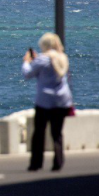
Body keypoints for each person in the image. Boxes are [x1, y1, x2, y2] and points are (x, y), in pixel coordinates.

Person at [23, 32, 72, 172]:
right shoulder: (63, 58)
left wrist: (27, 61)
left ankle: (36, 163)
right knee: (57, 133)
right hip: (62, 101)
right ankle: (58, 162)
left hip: (45, 101)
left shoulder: (42, 60)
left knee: (39, 132)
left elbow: (27, 73)